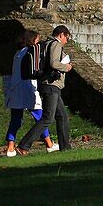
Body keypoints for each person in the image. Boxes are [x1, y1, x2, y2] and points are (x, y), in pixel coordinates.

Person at [17, 24, 73, 153]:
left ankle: (65, 147)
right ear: (61, 35)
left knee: (62, 116)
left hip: (48, 84)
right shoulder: (55, 44)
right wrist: (67, 67)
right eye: (67, 38)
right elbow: (54, 63)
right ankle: (24, 146)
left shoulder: (45, 44)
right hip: (51, 85)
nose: (66, 41)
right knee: (47, 118)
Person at [3, 30, 55, 157]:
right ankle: (49, 143)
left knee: (16, 118)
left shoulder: (17, 53)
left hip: (15, 87)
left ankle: (10, 145)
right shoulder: (30, 52)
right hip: (28, 87)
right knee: (40, 116)